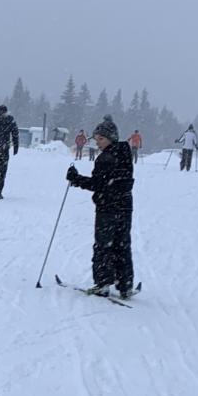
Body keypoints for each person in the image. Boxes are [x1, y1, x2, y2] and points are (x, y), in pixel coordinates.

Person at [65, 116, 134, 297]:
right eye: (96, 140)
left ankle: (103, 283)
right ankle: (125, 285)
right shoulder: (125, 153)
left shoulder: (106, 158)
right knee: (122, 245)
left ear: (111, 138)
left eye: (101, 139)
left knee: (104, 245)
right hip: (125, 207)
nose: (98, 143)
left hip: (108, 207)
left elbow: (98, 184)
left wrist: (76, 179)